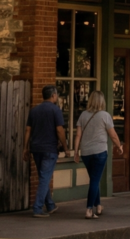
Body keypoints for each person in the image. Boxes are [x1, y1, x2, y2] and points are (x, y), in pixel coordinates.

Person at [73, 90, 123, 218]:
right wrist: (119, 146)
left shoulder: (83, 115)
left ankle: (99, 206)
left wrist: (76, 152)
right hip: (100, 152)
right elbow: (113, 135)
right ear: (102, 101)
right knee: (95, 180)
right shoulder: (105, 115)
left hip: (86, 152)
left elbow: (78, 135)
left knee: (95, 178)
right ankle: (89, 209)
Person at [23, 85, 68, 217]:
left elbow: (28, 131)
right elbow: (60, 130)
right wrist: (65, 148)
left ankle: (50, 205)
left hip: (36, 149)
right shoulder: (55, 110)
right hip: (49, 149)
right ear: (53, 95)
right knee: (44, 178)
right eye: (57, 95)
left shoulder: (34, 110)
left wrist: (25, 148)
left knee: (44, 177)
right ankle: (37, 208)